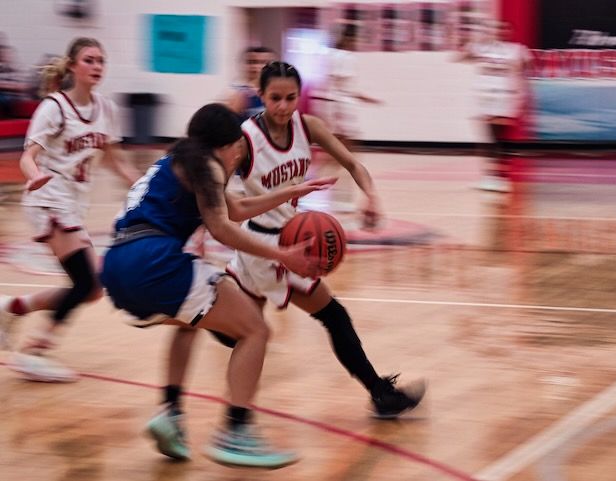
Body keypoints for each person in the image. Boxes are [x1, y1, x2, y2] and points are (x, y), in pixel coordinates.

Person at [160, 63, 425, 456]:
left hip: (287, 243)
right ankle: (376, 395)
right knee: (320, 318)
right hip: (265, 248)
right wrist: (201, 231)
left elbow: (353, 163)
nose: (283, 107)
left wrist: (371, 195)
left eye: (289, 98)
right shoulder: (245, 139)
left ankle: (194, 412)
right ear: (260, 96)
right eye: (274, 98)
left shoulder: (309, 126)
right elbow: (217, 195)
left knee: (243, 330)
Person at [100, 102, 334, 467]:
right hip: (153, 260)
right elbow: (223, 227)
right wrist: (283, 255)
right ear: (226, 145)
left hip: (116, 265)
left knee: (187, 325)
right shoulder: (209, 164)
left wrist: (291, 192)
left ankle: (171, 413)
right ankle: (236, 432)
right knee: (255, 331)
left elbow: (236, 209)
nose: (240, 155)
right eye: (239, 147)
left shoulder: (181, 159)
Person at [0, 37, 140, 381]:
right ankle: (35, 351)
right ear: (73, 66)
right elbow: (28, 157)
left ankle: (13, 307)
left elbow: (116, 160)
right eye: (89, 60)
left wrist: (142, 185)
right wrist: (34, 177)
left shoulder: (106, 109)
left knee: (91, 290)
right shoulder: (55, 107)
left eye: (101, 61)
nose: (97, 67)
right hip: (48, 199)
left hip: (73, 204)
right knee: (84, 280)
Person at [308, 23, 382, 212]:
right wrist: (335, 119)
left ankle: (334, 194)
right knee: (347, 157)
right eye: (357, 38)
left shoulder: (332, 55)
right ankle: (338, 197)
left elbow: (338, 87)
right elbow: (332, 87)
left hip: (338, 109)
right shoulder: (344, 57)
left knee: (339, 157)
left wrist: (365, 97)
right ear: (349, 38)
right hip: (340, 111)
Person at [459, 20, 532, 193]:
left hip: (504, 96)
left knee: (497, 138)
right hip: (485, 97)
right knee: (488, 139)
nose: (500, 31)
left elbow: (527, 70)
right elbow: (459, 57)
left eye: (504, 28)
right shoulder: (481, 48)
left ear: (510, 31)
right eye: (497, 28)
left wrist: (524, 97)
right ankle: (491, 176)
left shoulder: (517, 50)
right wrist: (472, 40)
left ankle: (500, 177)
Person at [226, 46, 276, 122]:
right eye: (251, 62)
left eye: (264, 62)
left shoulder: (278, 93)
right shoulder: (236, 94)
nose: (257, 67)